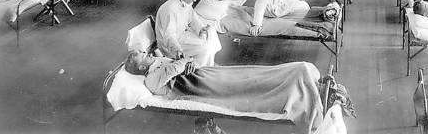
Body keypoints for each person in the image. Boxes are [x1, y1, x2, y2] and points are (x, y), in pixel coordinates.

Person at [123, 53, 325, 134]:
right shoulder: (150, 78)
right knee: (248, 86)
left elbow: (182, 62)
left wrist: (186, 61)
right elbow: (174, 69)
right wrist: (183, 61)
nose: (148, 54)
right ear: (141, 67)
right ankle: (298, 84)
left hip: (205, 74)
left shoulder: (158, 64)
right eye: (144, 55)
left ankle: (299, 75)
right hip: (199, 85)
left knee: (250, 73)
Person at [155, 0, 221, 66]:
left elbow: (193, 18)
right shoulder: (170, 9)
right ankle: (201, 70)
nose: (194, 0)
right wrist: (177, 49)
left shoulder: (185, 1)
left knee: (210, 33)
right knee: (205, 49)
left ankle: (207, 62)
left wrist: (201, 29)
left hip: (181, 35)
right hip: (170, 45)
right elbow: (169, 36)